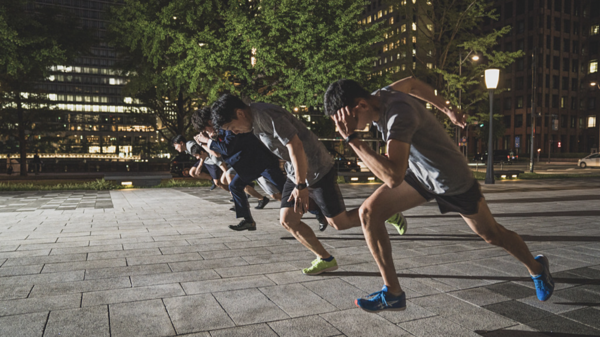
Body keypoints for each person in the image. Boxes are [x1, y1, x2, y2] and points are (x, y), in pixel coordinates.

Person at [323, 77, 554, 313]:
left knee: (492, 235)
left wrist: (351, 139)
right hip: (421, 175)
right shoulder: (382, 95)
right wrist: (446, 108)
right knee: (369, 213)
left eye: (343, 120)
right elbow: (413, 83)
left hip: (451, 179)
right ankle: (393, 293)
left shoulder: (398, 114)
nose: (341, 126)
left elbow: (392, 177)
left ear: (360, 105)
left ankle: (537, 268)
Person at [212, 94, 372, 274]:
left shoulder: (265, 115)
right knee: (288, 220)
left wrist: (301, 185)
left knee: (339, 223)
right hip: (295, 172)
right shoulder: (252, 121)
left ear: (240, 113)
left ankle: (379, 211)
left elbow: (295, 145)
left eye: (232, 127)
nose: (233, 132)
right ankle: (325, 259)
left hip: (317, 168)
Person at [192, 107, 312, 231]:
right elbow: (217, 153)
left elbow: (226, 149)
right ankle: (248, 220)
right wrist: (206, 141)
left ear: (210, 122)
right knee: (235, 186)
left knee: (283, 188)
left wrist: (207, 140)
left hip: (262, 160)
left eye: (206, 128)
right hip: (249, 164)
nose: (206, 131)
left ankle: (316, 210)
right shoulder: (220, 129)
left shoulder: (227, 125)